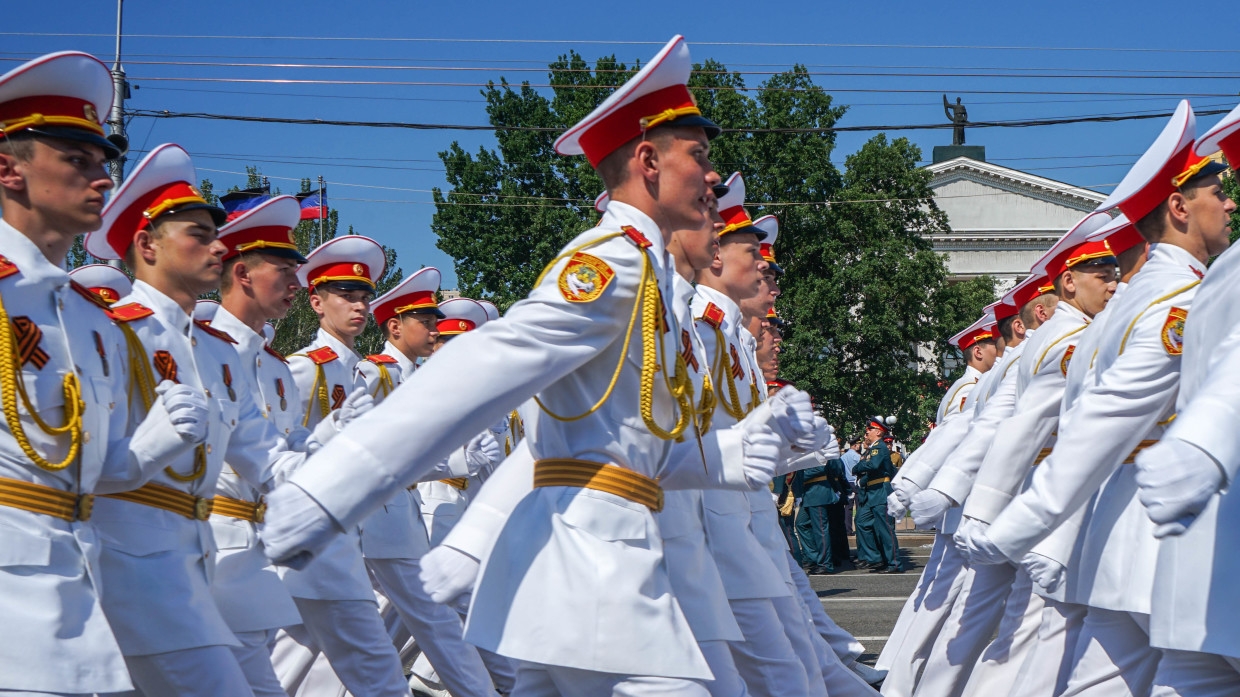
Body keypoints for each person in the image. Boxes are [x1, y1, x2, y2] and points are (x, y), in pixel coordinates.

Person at [261, 35, 823, 695]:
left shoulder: (655, 282)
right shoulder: (610, 260)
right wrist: (326, 490)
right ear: (647, 161)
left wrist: (733, 451)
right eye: (698, 156)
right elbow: (485, 366)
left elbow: (629, 443)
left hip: (602, 564)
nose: (711, 177)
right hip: (591, 565)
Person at [964, 100, 1233, 697]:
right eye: (1218, 190)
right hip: (1159, 535)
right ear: (1180, 207)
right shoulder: (1174, 304)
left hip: (1116, 536)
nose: (1231, 202)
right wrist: (1021, 524)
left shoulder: (1134, 302)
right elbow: (1106, 419)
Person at [0, 51, 210, 697]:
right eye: (76, 159)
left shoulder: (95, 321)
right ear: (8, 168)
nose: (101, 178)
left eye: (103, 162)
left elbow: (92, 470)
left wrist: (150, 447)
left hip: (81, 588)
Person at [84, 142, 304, 696]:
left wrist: (360, 466)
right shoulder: (112, 330)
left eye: (216, 235)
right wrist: (151, 447)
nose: (219, 247)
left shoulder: (218, 353)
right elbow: (70, 465)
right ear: (146, 246)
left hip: (193, 562)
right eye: (199, 235)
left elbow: (265, 457)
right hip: (128, 565)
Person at [272, 233, 410, 697]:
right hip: (310, 529)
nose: (359, 306)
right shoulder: (306, 367)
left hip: (347, 529)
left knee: (319, 661)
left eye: (364, 297)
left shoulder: (358, 370)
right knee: (291, 654)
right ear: (316, 302)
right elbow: (275, 450)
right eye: (345, 296)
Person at [1136, 101, 1240, 697]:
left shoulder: (1217, 275)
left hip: (1195, 564)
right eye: (1218, 191)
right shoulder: (1191, 285)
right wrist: (1201, 444)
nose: (1229, 202)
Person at [205, 195, 319, 697]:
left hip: (259, 545)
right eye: (285, 269)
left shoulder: (273, 366)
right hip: (212, 540)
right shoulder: (198, 343)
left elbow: (285, 447)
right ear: (244, 274)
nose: (297, 282)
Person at [875, 316, 996, 690]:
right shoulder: (970, 389)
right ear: (978, 350)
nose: (1001, 348)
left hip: (957, 507)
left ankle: (896, 672)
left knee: (935, 598)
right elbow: (954, 445)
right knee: (942, 603)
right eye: (995, 344)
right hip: (962, 507)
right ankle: (903, 679)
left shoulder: (966, 387)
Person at [853, 417, 901, 573]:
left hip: (881, 492)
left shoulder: (879, 447)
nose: (867, 431)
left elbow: (873, 465)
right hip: (872, 493)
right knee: (861, 522)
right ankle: (875, 557)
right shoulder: (873, 449)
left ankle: (894, 563)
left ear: (879, 432)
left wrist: (858, 466)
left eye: (870, 429)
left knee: (885, 529)